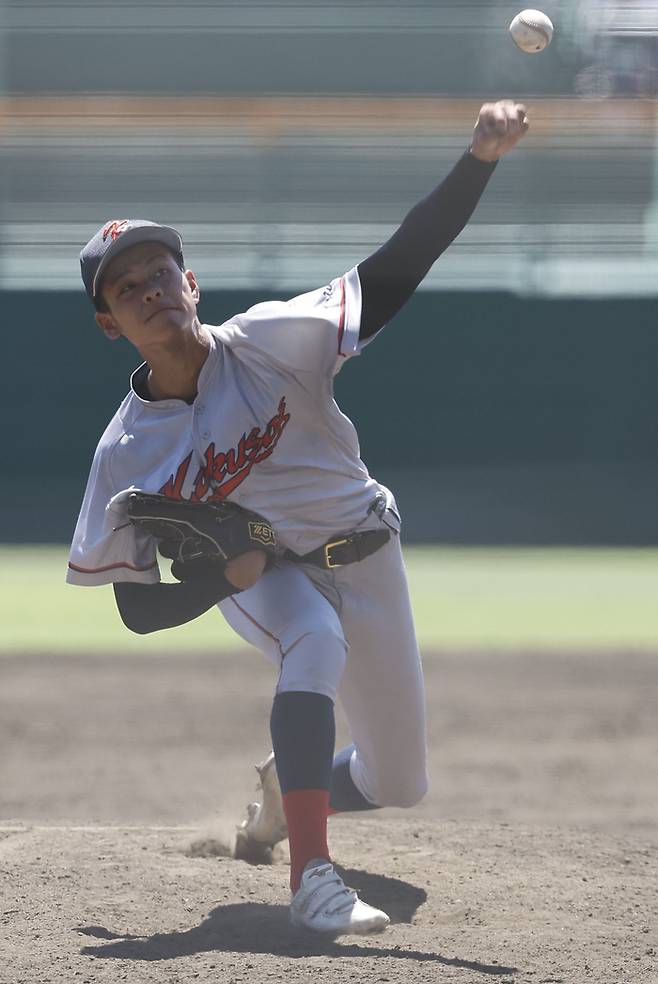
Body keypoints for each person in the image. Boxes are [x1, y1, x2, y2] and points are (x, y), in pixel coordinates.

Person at [67, 101, 529, 935]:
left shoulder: (273, 340)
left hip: (370, 548)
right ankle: (311, 880)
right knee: (310, 640)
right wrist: (222, 576)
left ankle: (292, 782)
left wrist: (480, 161)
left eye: (160, 273)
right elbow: (136, 608)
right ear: (109, 324)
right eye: (125, 288)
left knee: (400, 783)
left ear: (191, 283)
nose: (149, 292)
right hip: (270, 577)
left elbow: (395, 271)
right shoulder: (123, 454)